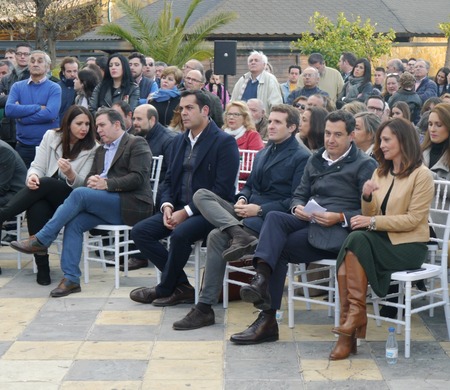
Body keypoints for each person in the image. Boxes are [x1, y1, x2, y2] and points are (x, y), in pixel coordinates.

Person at [228, 110, 377, 345]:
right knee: (276, 217)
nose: (330, 139)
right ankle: (261, 280)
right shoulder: (316, 158)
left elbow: (371, 210)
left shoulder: (365, 164)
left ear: (351, 136)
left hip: (340, 232)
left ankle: (266, 317)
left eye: (338, 135)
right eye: (328, 133)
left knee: (279, 247)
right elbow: (299, 194)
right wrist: (297, 206)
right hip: (310, 219)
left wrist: (338, 217)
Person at [172, 104, 311, 330]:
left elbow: (296, 200)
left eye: (278, 122)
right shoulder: (264, 151)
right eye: (271, 121)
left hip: (270, 218)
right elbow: (249, 186)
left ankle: (204, 308)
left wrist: (259, 209)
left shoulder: (301, 156)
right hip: (245, 213)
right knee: (202, 195)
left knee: (217, 236)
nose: (271, 126)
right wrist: (244, 199)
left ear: (292, 127)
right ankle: (237, 233)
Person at [10, 108, 153, 297]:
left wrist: (107, 184)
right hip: (106, 203)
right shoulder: (101, 150)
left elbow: (138, 178)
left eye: (101, 125)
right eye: (97, 126)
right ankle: (71, 279)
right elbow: (87, 180)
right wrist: (92, 182)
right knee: (74, 222)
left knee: (79, 195)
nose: (97, 130)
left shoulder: (136, 143)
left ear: (117, 125)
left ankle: (42, 239)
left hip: (131, 205)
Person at [329, 117, 434, 360]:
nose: (382, 145)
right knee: (355, 241)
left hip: (410, 246)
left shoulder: (422, 175)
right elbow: (371, 214)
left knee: (356, 240)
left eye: (386, 140)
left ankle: (351, 325)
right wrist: (366, 197)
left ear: (403, 140)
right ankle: (352, 322)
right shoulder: (381, 172)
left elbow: (413, 220)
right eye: (380, 140)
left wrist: (372, 222)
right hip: (383, 241)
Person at [128, 90, 240, 307]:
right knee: (140, 232)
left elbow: (223, 191)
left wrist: (186, 212)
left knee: (180, 234)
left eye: (189, 108)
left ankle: (164, 287)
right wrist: (167, 205)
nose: (183, 113)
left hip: (210, 212)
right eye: (181, 108)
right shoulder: (179, 141)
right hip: (178, 207)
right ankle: (182, 286)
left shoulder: (224, 142)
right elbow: (168, 180)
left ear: (205, 111)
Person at [0, 106, 98, 285]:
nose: (84, 128)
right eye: (79, 123)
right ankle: (42, 268)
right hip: (44, 195)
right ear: (68, 124)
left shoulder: (93, 147)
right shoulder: (51, 137)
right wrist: (32, 177)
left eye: (87, 124)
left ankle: (4, 214)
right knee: (37, 205)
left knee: (45, 183)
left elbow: (84, 185)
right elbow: (37, 166)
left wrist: (70, 174)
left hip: (72, 198)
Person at [5, 50, 61, 167]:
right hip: (24, 145)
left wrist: (22, 117)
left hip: (48, 146)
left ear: (47, 66)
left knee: (46, 182)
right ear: (28, 65)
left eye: (40, 61)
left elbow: (50, 114)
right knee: (24, 181)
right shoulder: (17, 86)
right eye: (32, 61)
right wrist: (37, 107)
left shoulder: (54, 88)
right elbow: (9, 110)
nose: (35, 64)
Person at [223, 101, 265, 187]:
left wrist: (227, 171)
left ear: (245, 117)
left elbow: (254, 164)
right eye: (229, 114)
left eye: (236, 114)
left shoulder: (252, 136)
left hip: (243, 184)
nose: (231, 117)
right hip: (221, 181)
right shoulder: (220, 134)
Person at [422, 103, 450, 180]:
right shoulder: (418, 152)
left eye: (438, 125)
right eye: (430, 124)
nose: (432, 129)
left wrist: (426, 175)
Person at [57, 57, 79, 124]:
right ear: (63, 72)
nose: (72, 74)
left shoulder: (82, 88)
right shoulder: (56, 87)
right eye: (69, 71)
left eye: (75, 71)